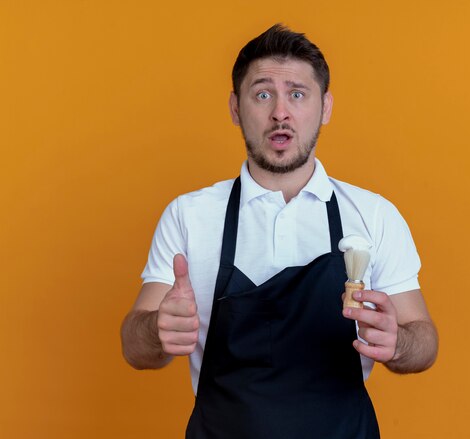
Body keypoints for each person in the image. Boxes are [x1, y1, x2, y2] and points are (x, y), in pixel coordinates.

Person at [121, 24, 438, 439]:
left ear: (325, 107)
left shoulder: (373, 215)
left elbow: (424, 342)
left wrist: (398, 342)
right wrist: (157, 329)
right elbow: (135, 346)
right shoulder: (189, 216)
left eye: (298, 94)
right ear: (236, 107)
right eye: (263, 93)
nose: (280, 113)